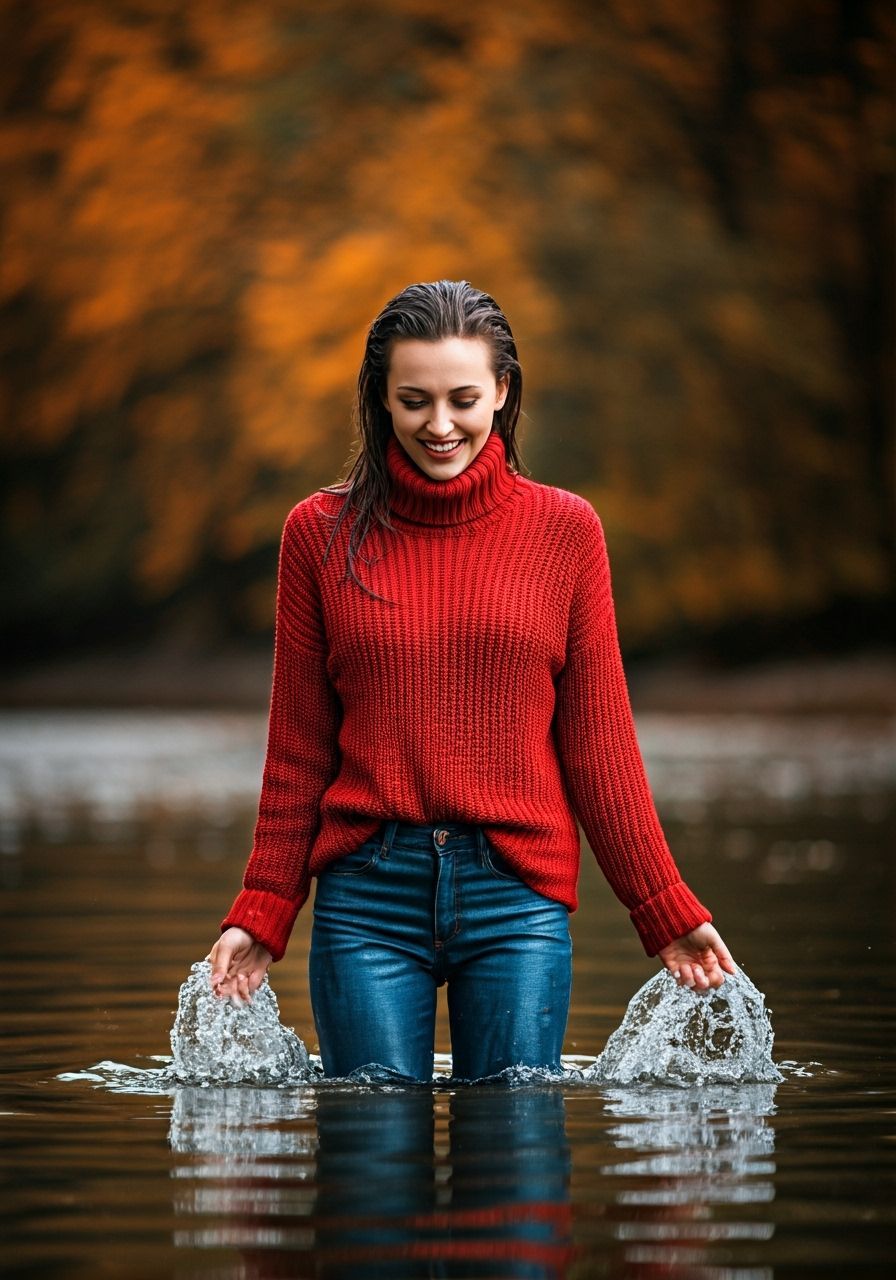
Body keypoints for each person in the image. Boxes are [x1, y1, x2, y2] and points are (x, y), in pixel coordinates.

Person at [207, 279, 735, 1082]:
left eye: (463, 397)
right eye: (414, 400)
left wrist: (660, 905)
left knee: (516, 1173)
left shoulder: (566, 532)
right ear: (381, 400)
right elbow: (298, 750)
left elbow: (598, 746)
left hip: (516, 898)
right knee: (372, 1175)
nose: (440, 424)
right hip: (366, 899)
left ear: (503, 391)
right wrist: (266, 907)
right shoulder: (317, 534)